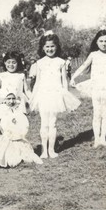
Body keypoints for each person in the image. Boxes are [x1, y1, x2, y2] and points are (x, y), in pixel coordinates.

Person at [30, 30, 80, 159]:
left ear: (56, 47)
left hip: (56, 94)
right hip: (43, 94)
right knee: (43, 123)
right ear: (42, 47)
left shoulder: (61, 62)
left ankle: (51, 150)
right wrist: (33, 97)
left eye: (52, 46)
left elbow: (64, 81)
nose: (50, 49)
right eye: (47, 46)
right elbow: (38, 81)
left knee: (52, 123)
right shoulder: (39, 63)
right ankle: (43, 151)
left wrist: (65, 96)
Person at [70, 26, 106, 148]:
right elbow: (83, 66)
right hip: (96, 86)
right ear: (96, 42)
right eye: (101, 41)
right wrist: (73, 77)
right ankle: (96, 138)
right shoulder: (93, 55)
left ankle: (103, 137)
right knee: (97, 112)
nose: (104, 44)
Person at [0, 93, 43, 169]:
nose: (11, 101)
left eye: (13, 99)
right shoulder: (0, 112)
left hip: (16, 137)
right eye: (9, 99)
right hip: (4, 138)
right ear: (4, 100)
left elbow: (23, 125)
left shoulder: (18, 111)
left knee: (22, 159)